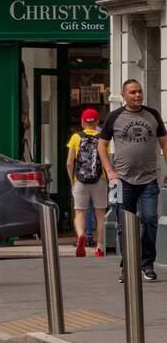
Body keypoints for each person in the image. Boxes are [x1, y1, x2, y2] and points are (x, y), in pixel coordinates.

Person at [99, 79, 167, 282]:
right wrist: (109, 171)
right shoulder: (115, 117)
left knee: (149, 220)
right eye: (133, 92)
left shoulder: (152, 115)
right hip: (122, 181)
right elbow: (102, 146)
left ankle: (147, 265)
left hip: (148, 180)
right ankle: (127, 266)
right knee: (123, 225)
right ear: (124, 95)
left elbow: (164, 142)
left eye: (140, 92)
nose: (137, 95)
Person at [66, 108, 108, 259]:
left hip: (80, 180)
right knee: (100, 214)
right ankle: (100, 247)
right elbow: (105, 159)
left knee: (80, 212)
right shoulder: (102, 137)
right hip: (99, 179)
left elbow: (70, 163)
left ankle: (81, 235)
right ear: (97, 122)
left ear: (83, 122)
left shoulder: (76, 137)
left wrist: (72, 181)